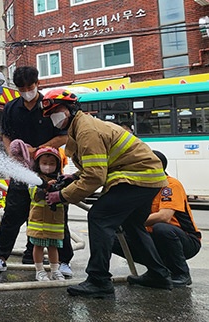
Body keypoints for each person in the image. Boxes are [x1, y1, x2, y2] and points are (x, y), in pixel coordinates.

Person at [40, 88, 171, 298]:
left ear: (71, 109)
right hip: (149, 178)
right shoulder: (81, 127)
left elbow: (94, 177)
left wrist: (62, 196)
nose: (54, 117)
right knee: (132, 224)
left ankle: (99, 280)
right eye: (50, 114)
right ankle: (159, 274)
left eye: (57, 110)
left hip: (136, 177)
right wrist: (73, 178)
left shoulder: (86, 131)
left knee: (99, 217)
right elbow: (98, 165)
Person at [0, 66, 74, 277]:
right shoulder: (10, 108)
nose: (26, 90)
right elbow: (5, 135)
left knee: (55, 214)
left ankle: (64, 261)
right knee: (13, 213)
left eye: (30, 86)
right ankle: (1, 257)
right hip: (21, 169)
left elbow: (62, 136)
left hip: (48, 168)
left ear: (38, 83)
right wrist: (11, 153)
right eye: (22, 88)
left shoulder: (50, 106)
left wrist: (39, 150)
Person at [112, 150, 201, 287]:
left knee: (162, 228)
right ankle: (156, 272)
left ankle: (181, 273)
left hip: (185, 240)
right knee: (112, 238)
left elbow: (164, 217)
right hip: (154, 238)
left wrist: (131, 222)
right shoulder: (141, 187)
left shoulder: (170, 185)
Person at [27, 147, 67, 281]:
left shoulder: (61, 179)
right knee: (38, 246)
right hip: (39, 222)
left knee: (53, 246)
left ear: (58, 165)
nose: (48, 167)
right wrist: (45, 187)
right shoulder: (34, 179)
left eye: (52, 164)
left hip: (55, 222)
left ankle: (55, 270)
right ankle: (39, 270)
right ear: (37, 164)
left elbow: (66, 198)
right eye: (44, 163)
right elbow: (34, 195)